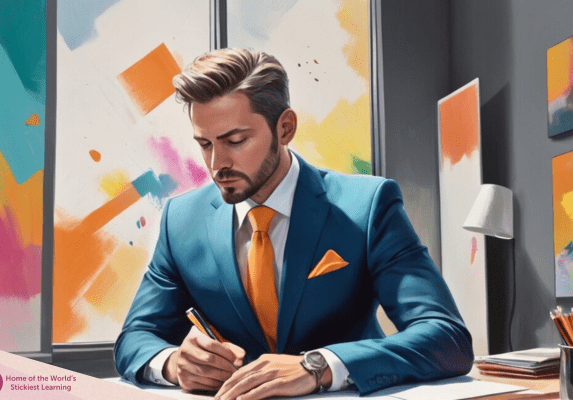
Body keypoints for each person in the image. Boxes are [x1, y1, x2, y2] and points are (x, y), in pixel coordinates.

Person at [114, 48, 474, 399]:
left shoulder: (367, 206)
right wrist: (176, 364)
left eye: (236, 141)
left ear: (285, 128)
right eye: (204, 144)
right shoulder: (181, 221)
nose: (216, 162)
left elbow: (447, 338)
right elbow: (135, 337)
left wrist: (318, 367)